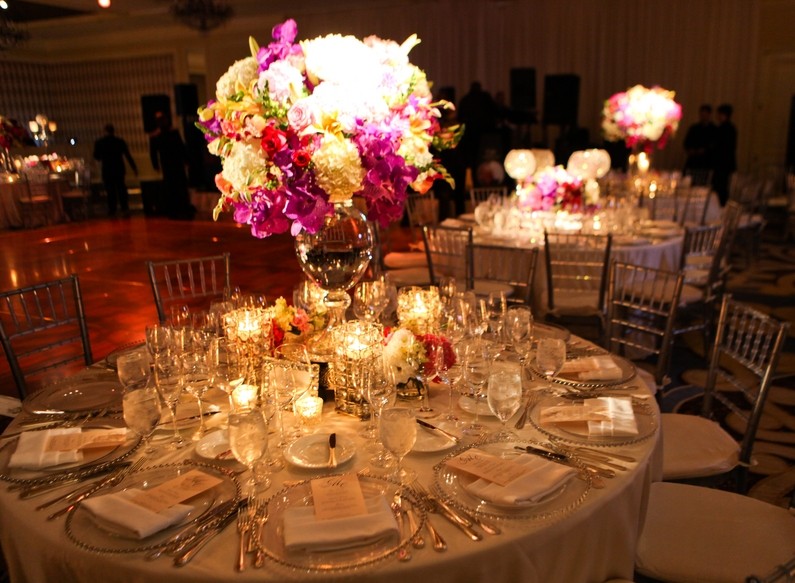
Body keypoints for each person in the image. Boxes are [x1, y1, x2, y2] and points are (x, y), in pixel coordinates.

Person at [149, 111, 193, 220]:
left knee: (179, 185)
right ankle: (175, 209)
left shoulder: (169, 133)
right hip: (169, 164)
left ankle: (181, 208)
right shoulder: (159, 135)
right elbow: (153, 152)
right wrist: (155, 165)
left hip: (174, 163)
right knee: (173, 186)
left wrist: (186, 160)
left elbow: (181, 147)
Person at [93, 123, 138, 216]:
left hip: (107, 169)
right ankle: (124, 207)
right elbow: (127, 155)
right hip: (119, 168)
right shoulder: (120, 141)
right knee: (121, 188)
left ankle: (112, 209)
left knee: (110, 190)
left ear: (105, 131)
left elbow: (96, 156)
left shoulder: (100, 142)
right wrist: (134, 167)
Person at [712, 103, 737, 206]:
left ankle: (720, 207)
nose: (717, 116)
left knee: (720, 188)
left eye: (718, 114)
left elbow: (721, 147)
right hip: (725, 163)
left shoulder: (724, 129)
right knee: (722, 187)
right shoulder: (730, 128)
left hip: (721, 163)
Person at [683, 104, 717, 181]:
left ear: (709, 115)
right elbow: (686, 142)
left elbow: (715, 145)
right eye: (702, 114)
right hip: (693, 161)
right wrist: (690, 149)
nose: (703, 116)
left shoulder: (714, 129)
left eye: (705, 114)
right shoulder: (694, 128)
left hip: (707, 162)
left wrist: (705, 150)